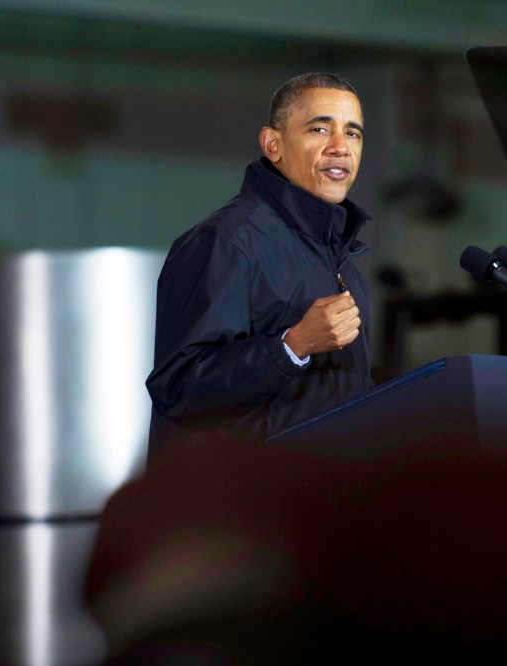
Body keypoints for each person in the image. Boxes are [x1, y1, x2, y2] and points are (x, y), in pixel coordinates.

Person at [146, 72, 375, 454]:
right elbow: (178, 388)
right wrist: (293, 345)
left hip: (326, 498)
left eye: (353, 133)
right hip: (239, 505)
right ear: (273, 144)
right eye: (320, 129)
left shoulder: (342, 260)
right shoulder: (226, 241)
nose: (341, 147)